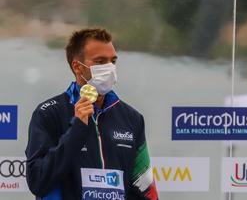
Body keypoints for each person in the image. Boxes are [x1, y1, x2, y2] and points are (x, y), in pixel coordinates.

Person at [25, 28, 158, 200]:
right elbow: (38, 181)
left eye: (113, 61)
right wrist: (77, 129)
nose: (109, 68)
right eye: (100, 61)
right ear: (77, 67)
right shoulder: (49, 113)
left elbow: (145, 189)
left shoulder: (132, 118)